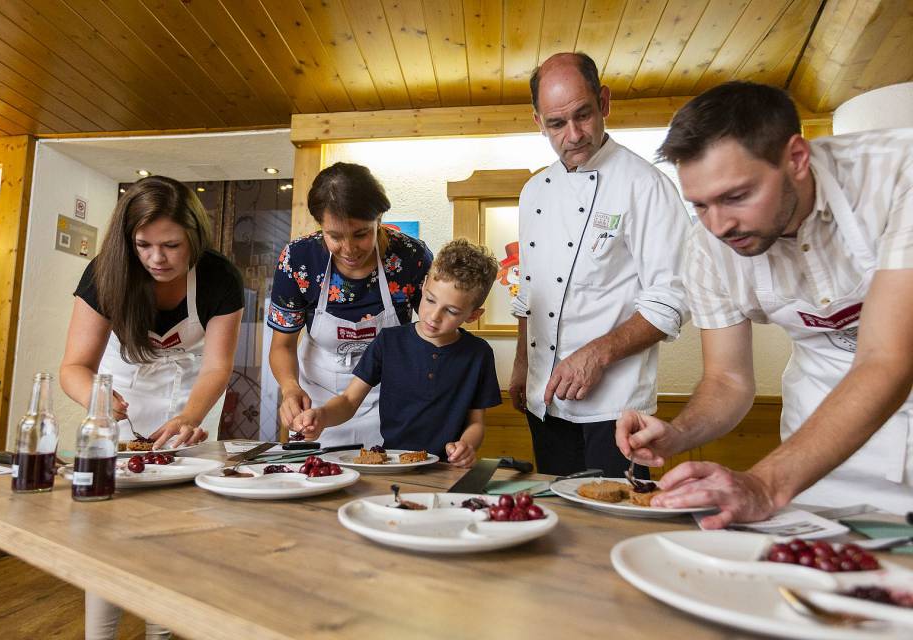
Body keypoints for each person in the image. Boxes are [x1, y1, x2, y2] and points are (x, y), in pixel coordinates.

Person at [616, 81, 913, 527]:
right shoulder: (706, 247)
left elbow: (887, 359)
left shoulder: (897, 175)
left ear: (796, 158)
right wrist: (678, 432)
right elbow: (728, 380)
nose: (719, 225)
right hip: (818, 455)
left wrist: (764, 484)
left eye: (736, 197)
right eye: (700, 205)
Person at [59, 175, 243, 639]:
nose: (157, 259)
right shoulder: (105, 273)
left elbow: (218, 367)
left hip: (191, 400)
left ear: (194, 238)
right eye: (143, 245)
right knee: (107, 526)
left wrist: (190, 417)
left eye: (171, 245)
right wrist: (98, 400)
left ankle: (162, 632)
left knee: (178, 525)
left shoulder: (220, 277)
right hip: (119, 395)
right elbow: (74, 367)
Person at [510, 52, 691, 476]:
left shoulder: (646, 186)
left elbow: (675, 296)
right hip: (545, 399)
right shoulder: (533, 191)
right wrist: (523, 365)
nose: (573, 134)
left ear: (604, 102)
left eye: (583, 115)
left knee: (611, 526)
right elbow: (529, 291)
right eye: (556, 123)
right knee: (557, 524)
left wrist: (597, 354)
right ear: (538, 121)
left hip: (616, 409)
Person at [292, 238, 501, 466]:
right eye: (430, 300)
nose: (434, 316)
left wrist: (466, 446)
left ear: (472, 316)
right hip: (393, 463)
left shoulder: (479, 354)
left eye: (451, 311)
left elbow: (476, 423)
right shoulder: (389, 342)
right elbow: (349, 400)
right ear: (423, 287)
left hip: (447, 468)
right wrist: (322, 416)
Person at [268, 162, 433, 447]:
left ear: (379, 218)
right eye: (335, 236)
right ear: (320, 225)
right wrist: (290, 388)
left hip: (391, 396)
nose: (349, 249)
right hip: (318, 403)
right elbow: (282, 344)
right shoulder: (299, 259)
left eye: (360, 233)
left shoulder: (410, 257)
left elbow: (434, 332)